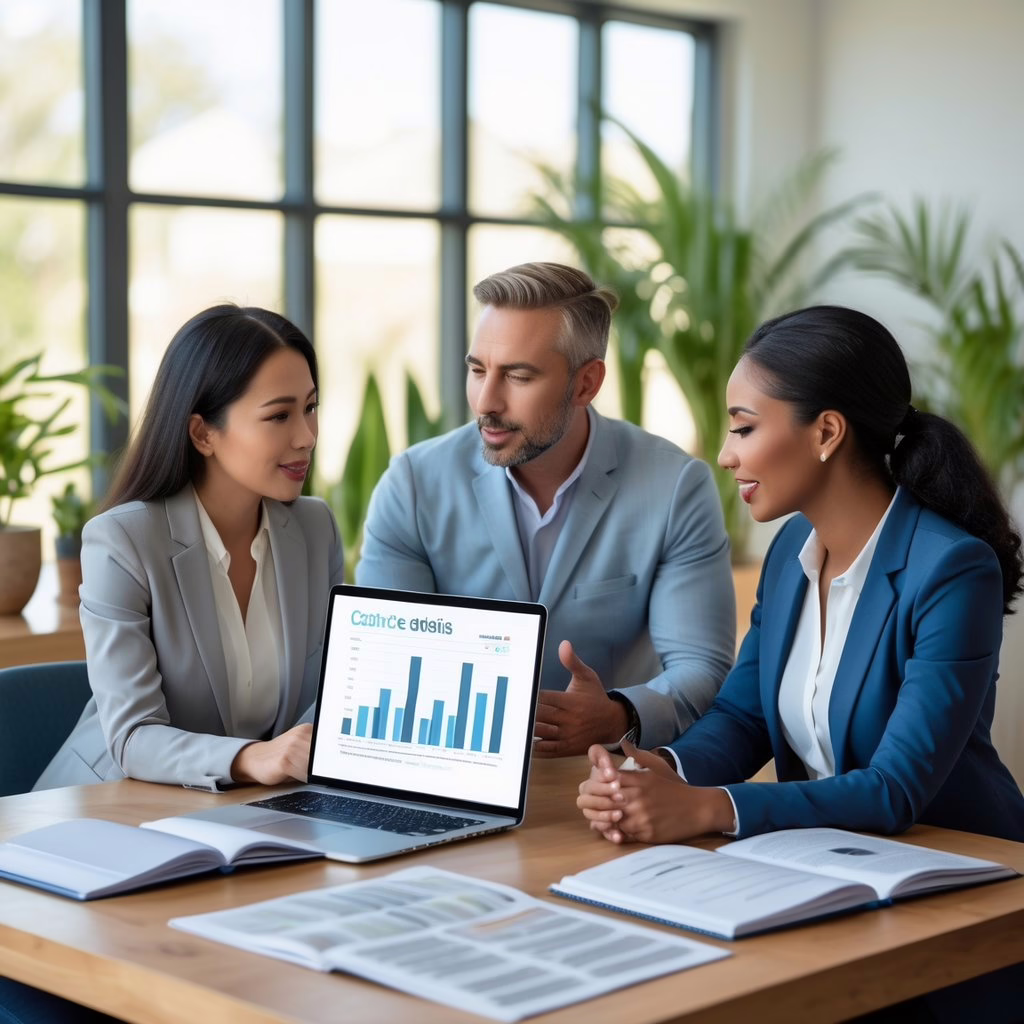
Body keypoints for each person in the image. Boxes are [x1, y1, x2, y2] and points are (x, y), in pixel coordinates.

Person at [577, 304, 1024, 846]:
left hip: (965, 862)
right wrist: (658, 772)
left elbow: (895, 789)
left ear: (827, 432)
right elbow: (744, 718)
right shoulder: (792, 549)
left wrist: (709, 807)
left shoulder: (952, 571)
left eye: (744, 427)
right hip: (825, 859)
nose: (725, 455)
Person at [357, 262, 736, 754]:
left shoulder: (675, 487)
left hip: (609, 776)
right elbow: (382, 660)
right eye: (477, 371)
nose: (486, 401)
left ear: (586, 384)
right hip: (449, 767)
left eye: (518, 376)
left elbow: (701, 667)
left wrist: (618, 715)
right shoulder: (412, 484)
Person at [34, 304, 344, 792]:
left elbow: (332, 689)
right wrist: (250, 759)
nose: (306, 437)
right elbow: (135, 737)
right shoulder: (122, 541)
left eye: (310, 407)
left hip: (254, 809)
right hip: (115, 806)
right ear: (203, 433)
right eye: (279, 415)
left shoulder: (315, 527)